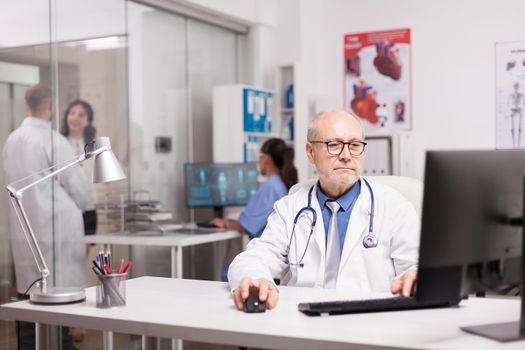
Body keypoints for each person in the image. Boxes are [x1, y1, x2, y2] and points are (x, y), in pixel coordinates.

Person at [227, 109, 419, 310]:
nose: (346, 155)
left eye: (354, 145)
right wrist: (256, 280)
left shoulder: (394, 206)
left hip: (370, 325)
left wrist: (415, 276)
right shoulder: (289, 208)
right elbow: (254, 258)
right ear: (311, 152)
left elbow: (415, 266)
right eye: (333, 145)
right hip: (300, 324)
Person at [3, 84, 92, 349]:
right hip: (56, 227)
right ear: (51, 106)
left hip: (26, 228)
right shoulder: (53, 139)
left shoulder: (12, 139)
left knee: (31, 297)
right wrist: (88, 202)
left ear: (26, 104)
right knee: (58, 298)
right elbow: (80, 189)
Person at [210, 138, 298, 239]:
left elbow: (246, 226)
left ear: (266, 159)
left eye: (260, 157)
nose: (258, 161)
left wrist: (225, 224)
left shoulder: (270, 187)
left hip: (266, 251)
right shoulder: (280, 183)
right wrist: (229, 222)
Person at [61, 99, 97, 235]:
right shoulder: (59, 143)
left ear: (88, 120)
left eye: (81, 115)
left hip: (89, 207)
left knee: (86, 250)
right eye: (72, 113)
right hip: (65, 208)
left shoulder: (94, 146)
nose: (75, 118)